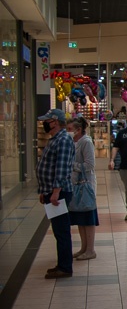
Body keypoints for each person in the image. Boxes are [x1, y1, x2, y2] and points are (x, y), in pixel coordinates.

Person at [36, 109, 75, 279]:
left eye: (47, 121)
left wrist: (55, 192)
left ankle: (65, 267)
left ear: (55, 122)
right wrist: (44, 190)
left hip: (58, 193)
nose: (44, 124)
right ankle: (62, 264)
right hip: (51, 191)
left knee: (61, 231)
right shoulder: (56, 139)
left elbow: (61, 168)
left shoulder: (64, 140)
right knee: (58, 230)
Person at [67, 117, 99, 260]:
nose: (68, 132)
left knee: (88, 216)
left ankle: (90, 249)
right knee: (80, 217)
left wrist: (72, 165)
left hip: (85, 185)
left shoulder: (86, 142)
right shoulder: (73, 142)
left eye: (69, 129)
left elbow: (90, 165)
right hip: (75, 184)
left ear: (78, 130)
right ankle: (84, 247)